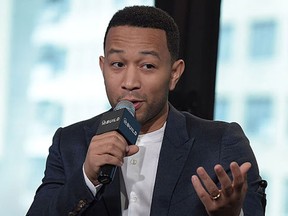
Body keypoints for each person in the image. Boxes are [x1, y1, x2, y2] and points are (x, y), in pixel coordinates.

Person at [27, 5, 266, 216]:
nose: (130, 81)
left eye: (148, 66)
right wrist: (86, 178)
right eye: (118, 64)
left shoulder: (221, 142)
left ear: (174, 74)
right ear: (103, 68)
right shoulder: (69, 143)